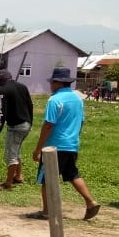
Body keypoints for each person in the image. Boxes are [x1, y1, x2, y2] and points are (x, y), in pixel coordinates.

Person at [27, 67, 100, 220]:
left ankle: (47, 211)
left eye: (52, 82)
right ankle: (90, 202)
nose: (51, 85)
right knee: (72, 174)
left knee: (47, 179)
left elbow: (48, 125)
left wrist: (38, 148)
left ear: (59, 83)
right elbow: (81, 122)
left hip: (54, 147)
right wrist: (75, 138)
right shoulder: (77, 99)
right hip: (72, 144)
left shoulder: (54, 100)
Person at [0, 69, 34, 190]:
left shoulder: (3, 90)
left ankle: (8, 183)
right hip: (26, 125)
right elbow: (30, 105)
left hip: (15, 127)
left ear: (0, 80)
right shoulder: (23, 87)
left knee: (11, 156)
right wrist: (30, 123)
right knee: (16, 151)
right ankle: (18, 176)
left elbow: (1, 113)